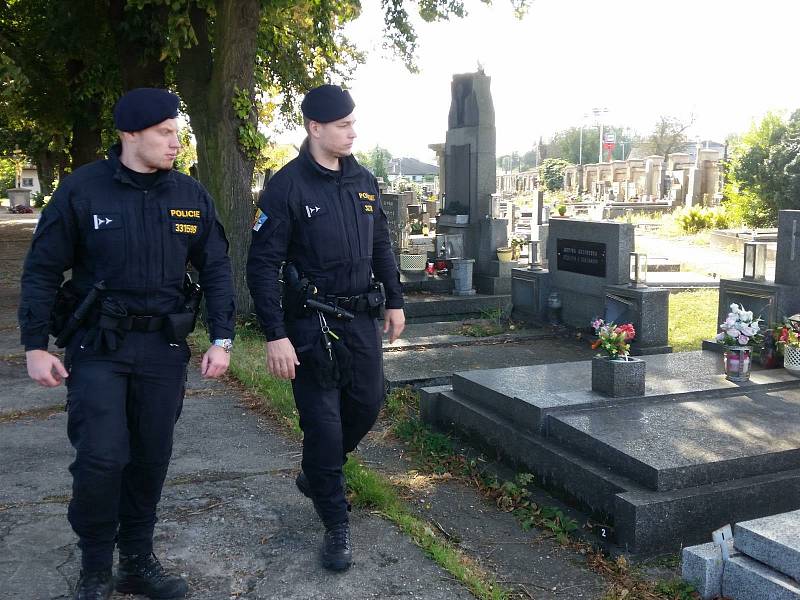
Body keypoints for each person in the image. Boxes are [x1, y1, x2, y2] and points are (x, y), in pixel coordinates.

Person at [18, 88, 236, 600]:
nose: (175, 143)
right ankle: (95, 565)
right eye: (165, 132)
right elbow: (43, 270)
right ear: (130, 133)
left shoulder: (189, 195)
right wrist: (35, 344)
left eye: (177, 133)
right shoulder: (82, 191)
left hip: (163, 349)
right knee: (101, 456)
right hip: (100, 347)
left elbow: (218, 268)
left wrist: (222, 337)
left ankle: (136, 560)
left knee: (150, 455)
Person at [246, 84, 405, 571]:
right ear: (315, 128)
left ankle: (318, 473)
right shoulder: (287, 186)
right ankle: (336, 524)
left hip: (359, 321)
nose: (353, 132)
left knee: (368, 404)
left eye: (354, 123)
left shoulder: (364, 180)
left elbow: (382, 245)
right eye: (343, 125)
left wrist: (395, 302)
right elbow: (261, 264)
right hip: (311, 326)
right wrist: (275, 333)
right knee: (323, 424)